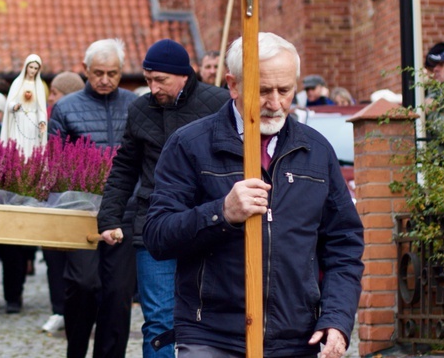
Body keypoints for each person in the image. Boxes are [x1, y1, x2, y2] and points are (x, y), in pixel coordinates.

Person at [143, 32, 364, 357]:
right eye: (262, 91)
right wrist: (222, 213)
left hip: (296, 338)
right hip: (212, 336)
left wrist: (337, 320)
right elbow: (158, 235)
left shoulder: (316, 151)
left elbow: (344, 243)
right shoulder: (190, 145)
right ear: (233, 85)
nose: (275, 104)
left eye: (285, 90)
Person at [97, 39, 231, 358]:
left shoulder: (219, 103)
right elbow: (125, 167)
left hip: (208, 221)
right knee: (158, 321)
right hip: (153, 224)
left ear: (184, 75)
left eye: (161, 80)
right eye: (148, 80)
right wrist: (109, 217)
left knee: (212, 317)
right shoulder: (141, 110)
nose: (153, 87)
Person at [48, 38, 139, 357]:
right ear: (85, 70)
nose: (105, 79)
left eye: (112, 73)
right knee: (85, 285)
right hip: (80, 211)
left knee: (118, 294)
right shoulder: (66, 107)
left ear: (121, 71)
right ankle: (76, 347)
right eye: (98, 72)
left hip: (125, 212)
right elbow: (53, 162)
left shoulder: (135, 105)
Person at [36, 70, 88, 334]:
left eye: (54, 93)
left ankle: (79, 313)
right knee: (53, 259)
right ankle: (59, 310)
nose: (50, 98)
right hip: (51, 197)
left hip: (75, 199)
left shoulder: (78, 117)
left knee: (78, 266)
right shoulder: (45, 116)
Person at [1, 54, 48, 158]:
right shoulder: (17, 83)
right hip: (18, 119)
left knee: (31, 148)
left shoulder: (39, 86)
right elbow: (9, 103)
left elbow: (41, 108)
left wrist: (42, 121)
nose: (32, 70)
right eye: (31, 67)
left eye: (35, 68)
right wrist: (14, 106)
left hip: (32, 121)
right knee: (17, 145)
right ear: (26, 67)